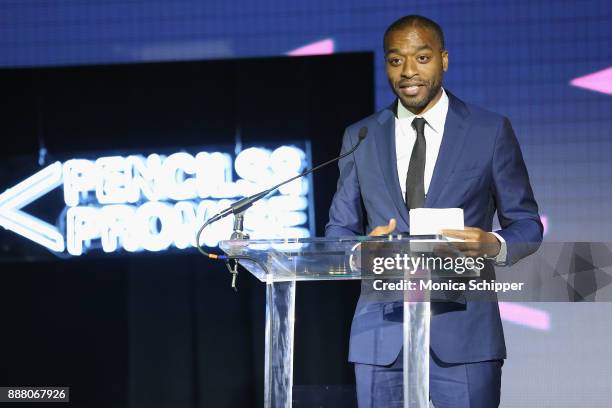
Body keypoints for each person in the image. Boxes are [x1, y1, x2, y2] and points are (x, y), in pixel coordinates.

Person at [325, 15, 543, 408]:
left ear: (444, 60)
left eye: (421, 58)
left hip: (464, 333)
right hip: (381, 335)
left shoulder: (488, 131)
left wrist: (491, 243)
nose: (408, 72)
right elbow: (339, 230)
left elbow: (527, 225)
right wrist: (361, 251)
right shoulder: (362, 136)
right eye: (395, 60)